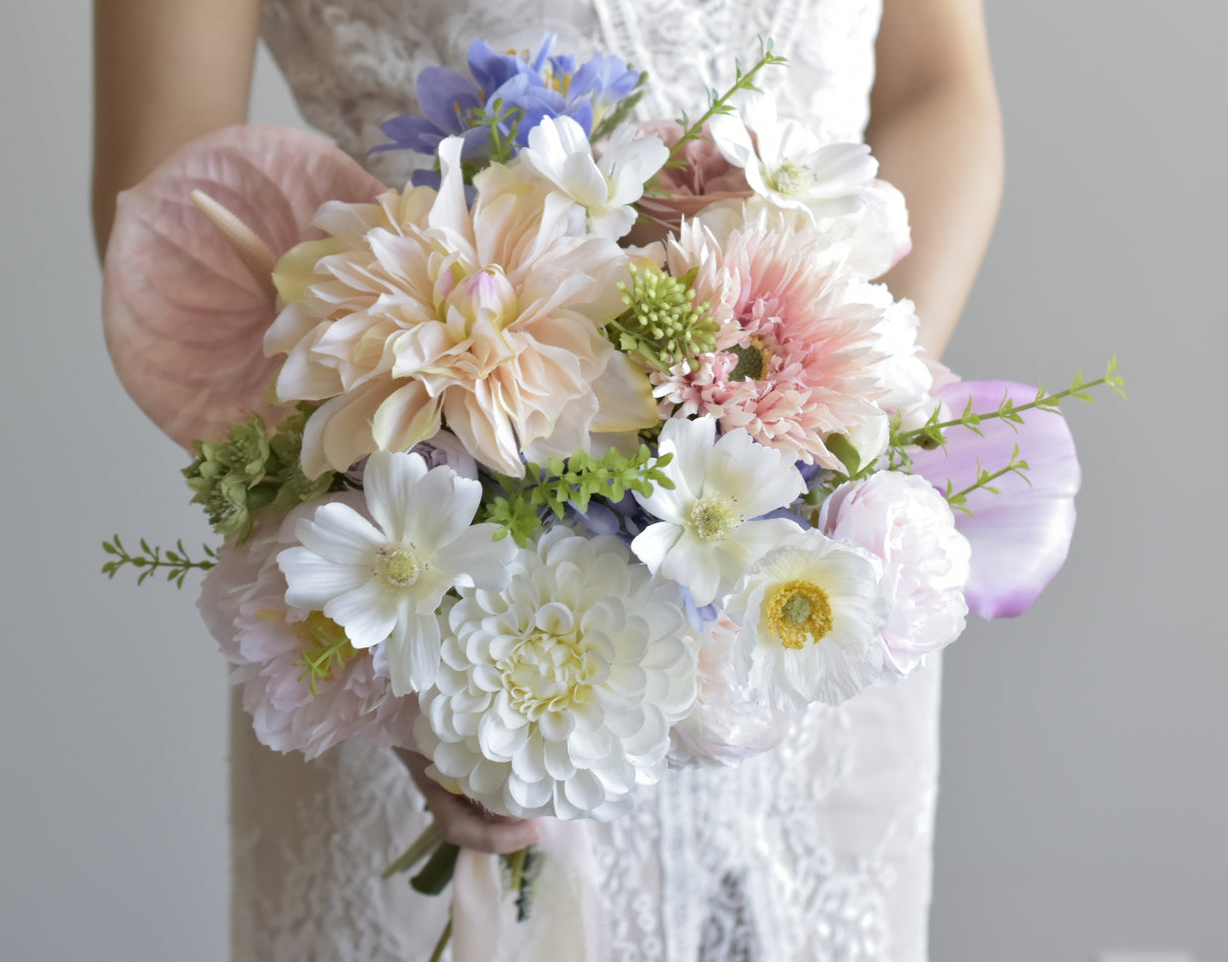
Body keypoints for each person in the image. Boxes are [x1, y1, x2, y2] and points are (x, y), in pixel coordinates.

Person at [93, 1, 1002, 958]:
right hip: (419, 561)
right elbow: (169, 196)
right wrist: (401, 657)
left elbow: (934, 85)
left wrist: (839, 424)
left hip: (806, 575)